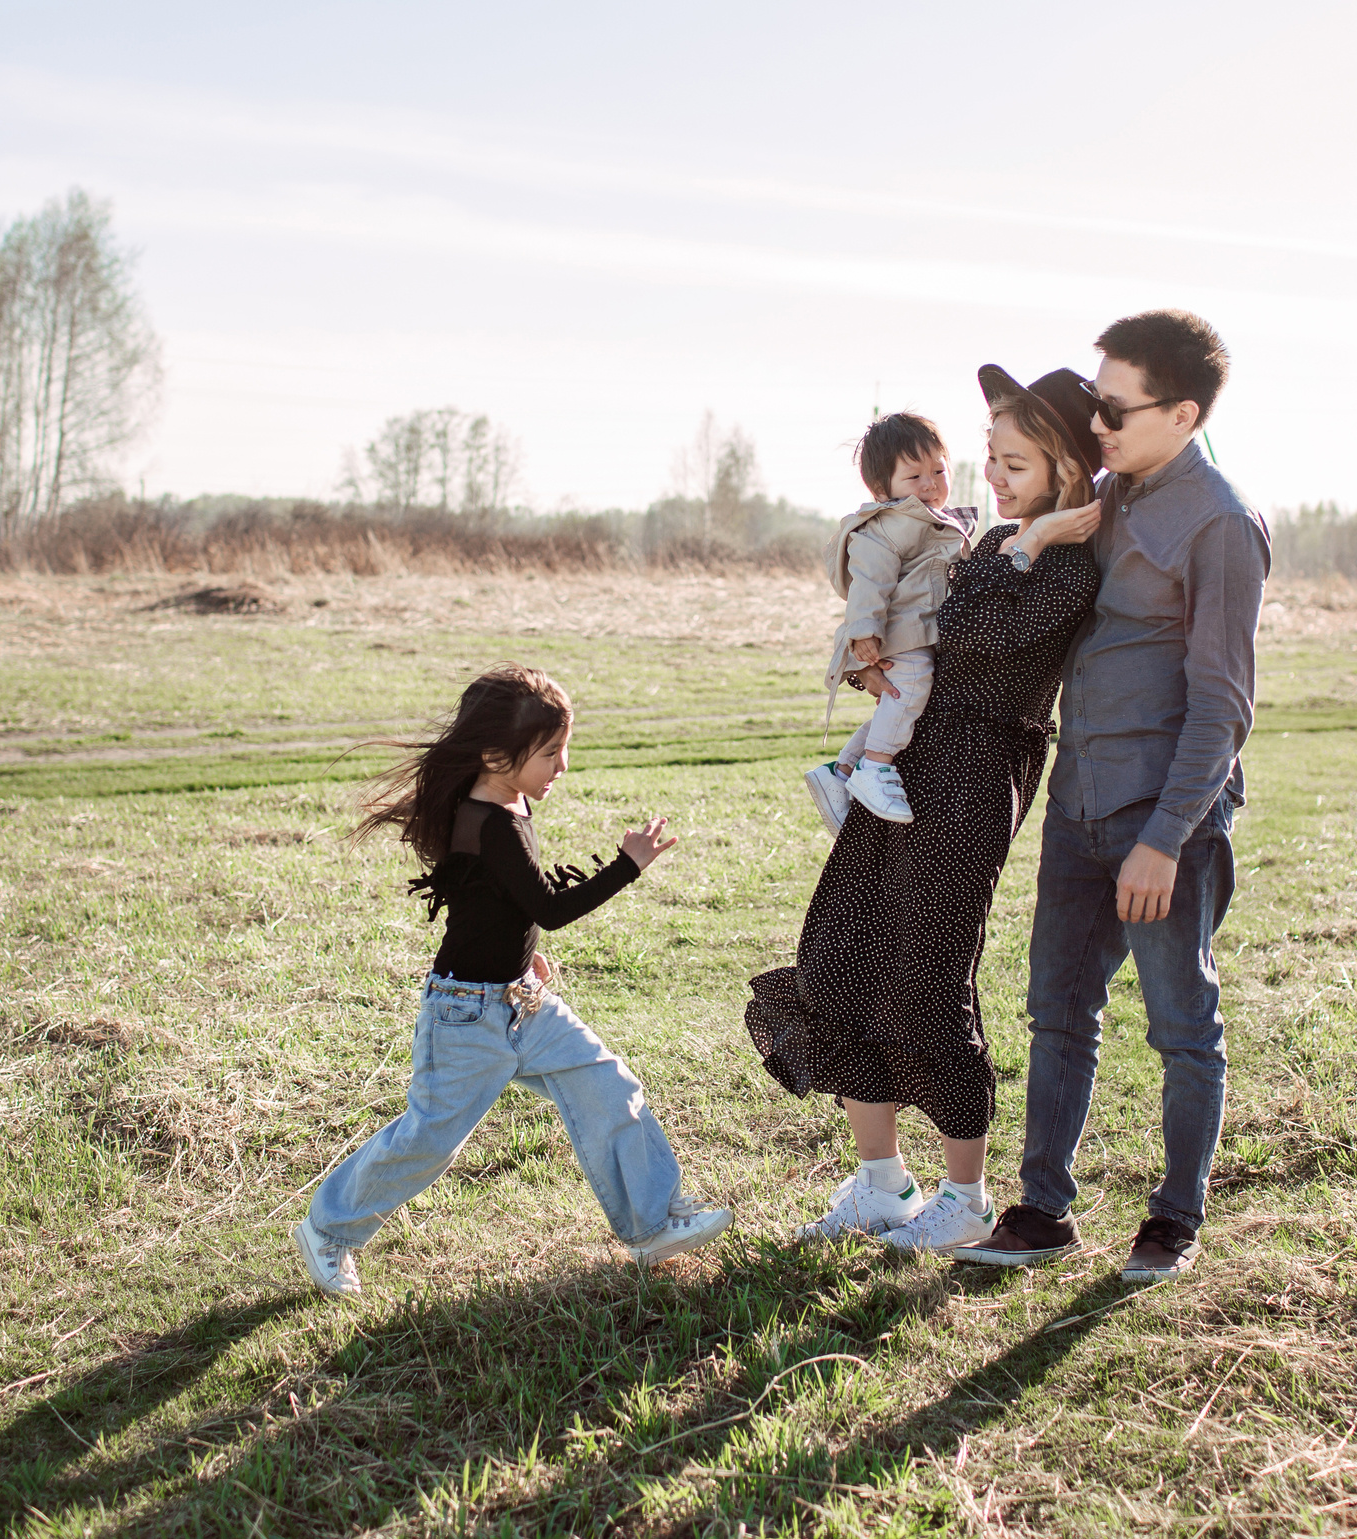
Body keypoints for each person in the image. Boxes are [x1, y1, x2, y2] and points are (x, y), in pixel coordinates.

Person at [745, 368, 1105, 1251]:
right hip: (911, 759)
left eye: (1015, 460)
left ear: (1064, 463)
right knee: (839, 952)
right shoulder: (991, 540)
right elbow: (919, 610)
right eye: (991, 456)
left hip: (977, 766)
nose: (994, 473)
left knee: (926, 974)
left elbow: (971, 629)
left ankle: (966, 1196)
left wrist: (1033, 538)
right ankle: (881, 1183)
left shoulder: (1068, 555)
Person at [953, 309, 1269, 1286]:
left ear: (1181, 412)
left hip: (1159, 823)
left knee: (1180, 1027)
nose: (1096, 422)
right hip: (1077, 804)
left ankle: (1173, 1222)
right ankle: (1042, 1211)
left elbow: (1222, 708)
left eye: (1114, 408)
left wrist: (1164, 840)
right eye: (1094, 401)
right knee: (1056, 1013)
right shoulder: (1110, 498)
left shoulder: (1219, 525)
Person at [293, 666, 733, 1299]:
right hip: (467, 1016)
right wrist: (626, 867)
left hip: (522, 1002)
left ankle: (653, 1224)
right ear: (497, 756)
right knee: (430, 1139)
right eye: (550, 754)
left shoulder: (506, 798)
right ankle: (330, 1230)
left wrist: (523, 956)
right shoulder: (488, 820)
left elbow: (503, 900)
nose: (562, 767)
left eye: (564, 750)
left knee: (606, 1084)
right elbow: (550, 906)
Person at [802, 412, 981, 830]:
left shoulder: (937, 521)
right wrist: (866, 630)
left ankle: (842, 772)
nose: (930, 483)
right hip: (901, 633)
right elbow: (870, 580)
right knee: (909, 690)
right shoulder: (892, 525)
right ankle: (875, 767)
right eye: (914, 476)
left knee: (902, 702)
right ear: (883, 490)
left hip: (919, 631)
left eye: (938, 469)